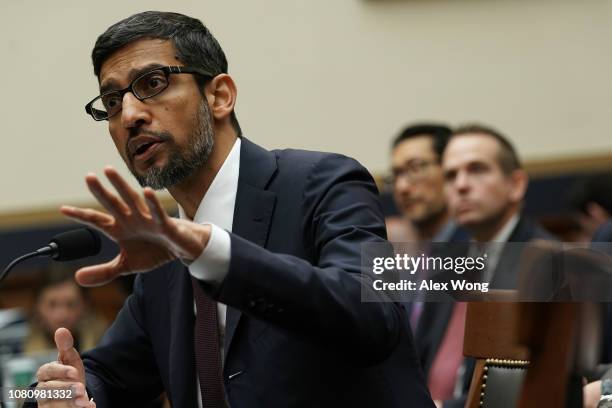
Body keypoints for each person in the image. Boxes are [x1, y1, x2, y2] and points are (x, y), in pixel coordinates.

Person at [30, 11, 433, 408]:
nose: (130, 116)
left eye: (152, 83)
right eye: (113, 101)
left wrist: (212, 253)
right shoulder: (164, 252)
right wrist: (65, 394)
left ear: (219, 96)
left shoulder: (327, 181)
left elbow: (377, 320)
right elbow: (107, 373)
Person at [389, 123, 469, 408]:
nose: (402, 186)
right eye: (396, 175)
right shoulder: (413, 260)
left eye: (416, 168)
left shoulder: (476, 252)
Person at [24, 268, 106, 355]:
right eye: (52, 304)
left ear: (85, 305)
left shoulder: (105, 342)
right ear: (37, 306)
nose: (62, 315)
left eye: (71, 304)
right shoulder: (18, 344)